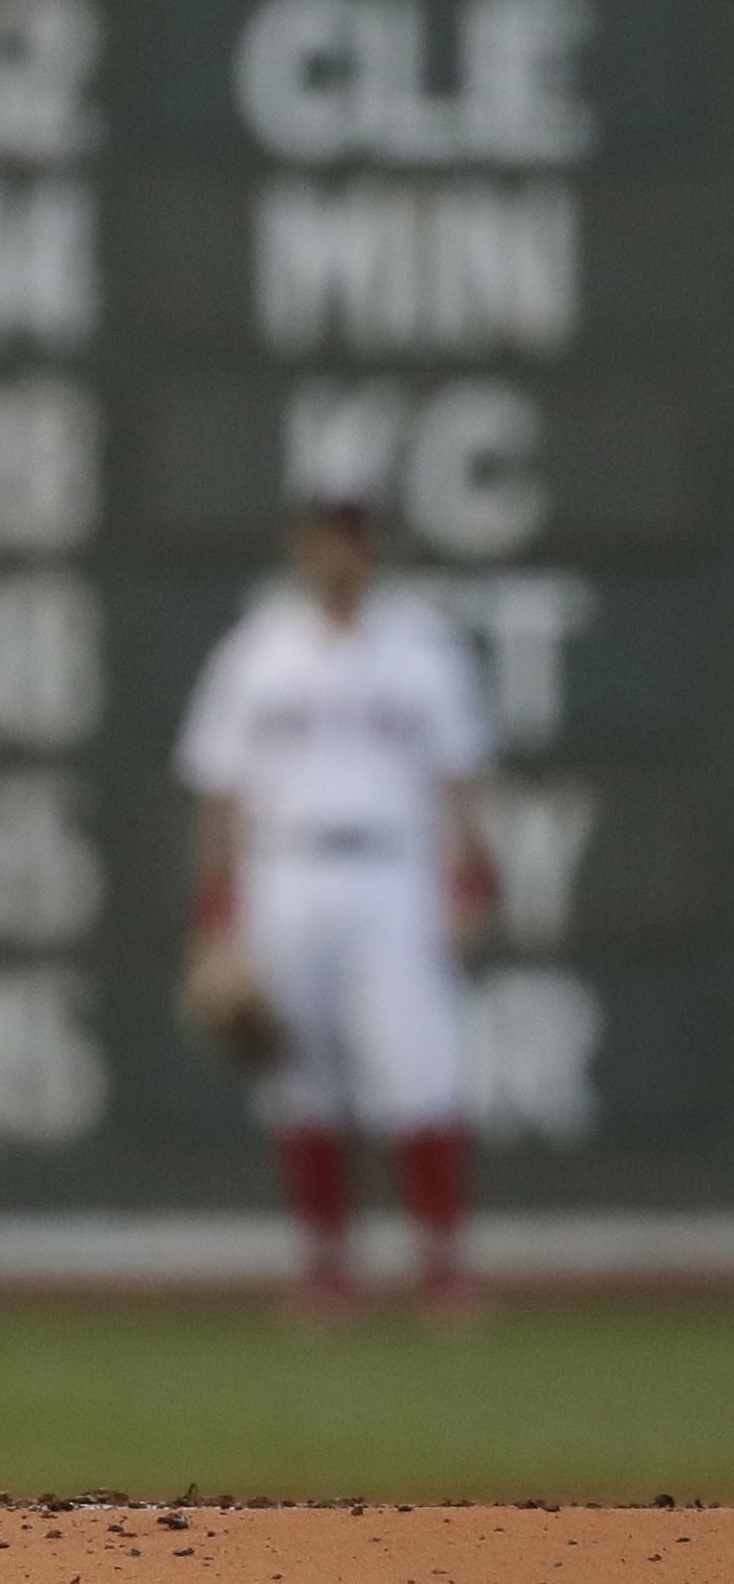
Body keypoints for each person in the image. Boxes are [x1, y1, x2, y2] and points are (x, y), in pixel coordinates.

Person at [176, 490, 500, 1325]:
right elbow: (220, 796)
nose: (337, 555)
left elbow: (460, 780)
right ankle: (326, 1272)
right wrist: (217, 920)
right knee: (302, 1078)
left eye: (351, 541)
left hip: (394, 869)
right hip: (285, 870)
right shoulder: (256, 651)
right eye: (324, 540)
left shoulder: (424, 647)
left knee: (421, 1067)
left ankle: (441, 1269)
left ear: (372, 551)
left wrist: (470, 881)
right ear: (300, 547)